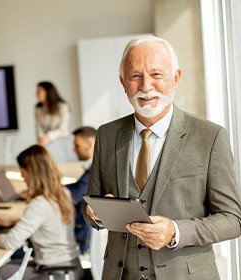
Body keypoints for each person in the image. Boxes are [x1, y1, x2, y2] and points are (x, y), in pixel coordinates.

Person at [83, 35, 241, 280]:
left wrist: (175, 231)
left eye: (156, 75)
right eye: (135, 76)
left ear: (175, 78)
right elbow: (91, 206)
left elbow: (232, 220)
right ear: (123, 82)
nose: (146, 86)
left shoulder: (210, 137)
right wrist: (95, 214)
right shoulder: (106, 134)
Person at [0, 144, 84, 280]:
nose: (22, 176)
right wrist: (15, 222)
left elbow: (10, 242)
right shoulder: (63, 193)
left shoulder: (39, 204)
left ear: (32, 172)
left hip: (55, 272)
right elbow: (50, 221)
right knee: (9, 267)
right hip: (72, 266)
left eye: (22, 171)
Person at [67, 126, 96, 255]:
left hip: (80, 240)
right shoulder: (94, 167)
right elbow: (77, 186)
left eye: (77, 145)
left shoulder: (95, 169)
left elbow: (75, 195)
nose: (74, 150)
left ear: (90, 144)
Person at [35, 81, 71, 147]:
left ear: (47, 92)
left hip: (61, 141)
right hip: (45, 144)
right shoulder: (38, 109)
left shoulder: (63, 107)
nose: (36, 94)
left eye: (39, 91)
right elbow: (38, 127)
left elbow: (63, 129)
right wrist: (41, 137)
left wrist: (48, 136)